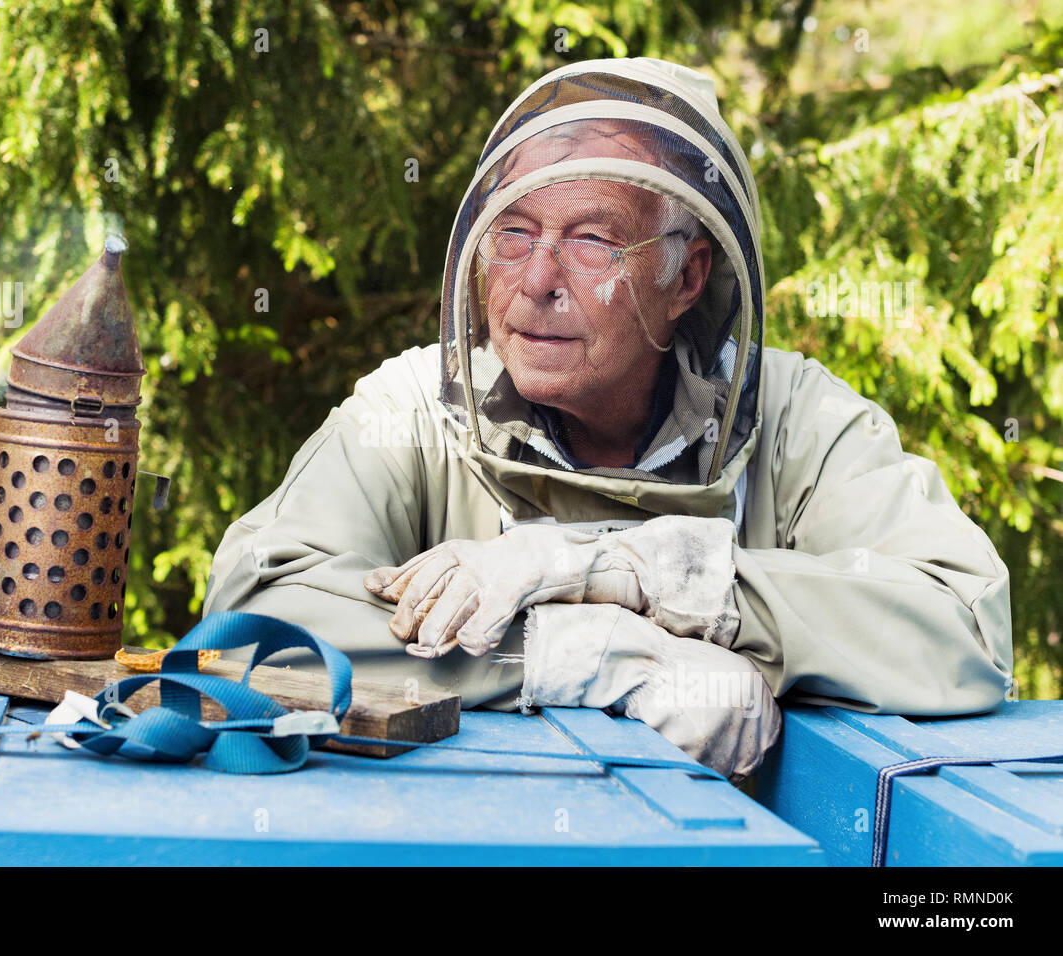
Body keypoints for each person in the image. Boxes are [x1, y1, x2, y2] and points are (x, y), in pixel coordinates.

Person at [201, 58, 1013, 782]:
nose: (536, 282)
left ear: (687, 275)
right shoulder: (413, 410)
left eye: (593, 240)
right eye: (513, 235)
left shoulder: (799, 419)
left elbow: (962, 630)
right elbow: (254, 621)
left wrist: (640, 570)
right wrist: (591, 654)